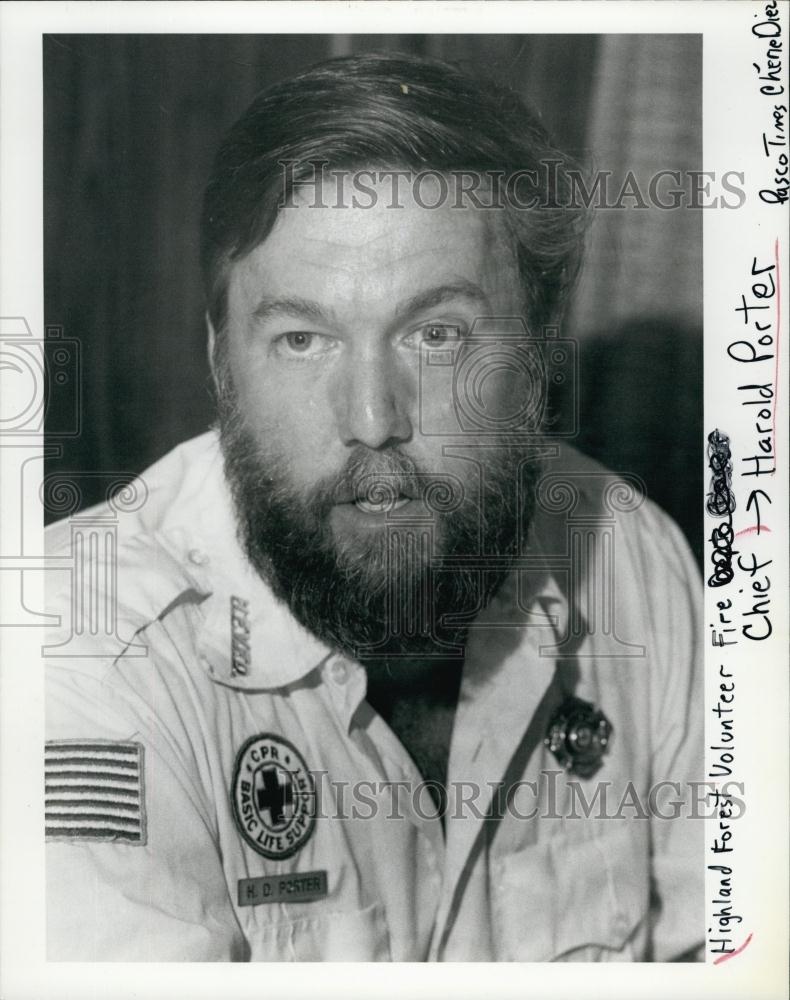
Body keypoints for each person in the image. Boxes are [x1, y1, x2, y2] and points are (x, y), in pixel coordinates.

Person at [45, 52, 703, 961]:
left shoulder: (631, 558)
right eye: (302, 338)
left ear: (540, 354)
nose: (370, 422)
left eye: (437, 335)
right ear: (220, 363)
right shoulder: (79, 662)